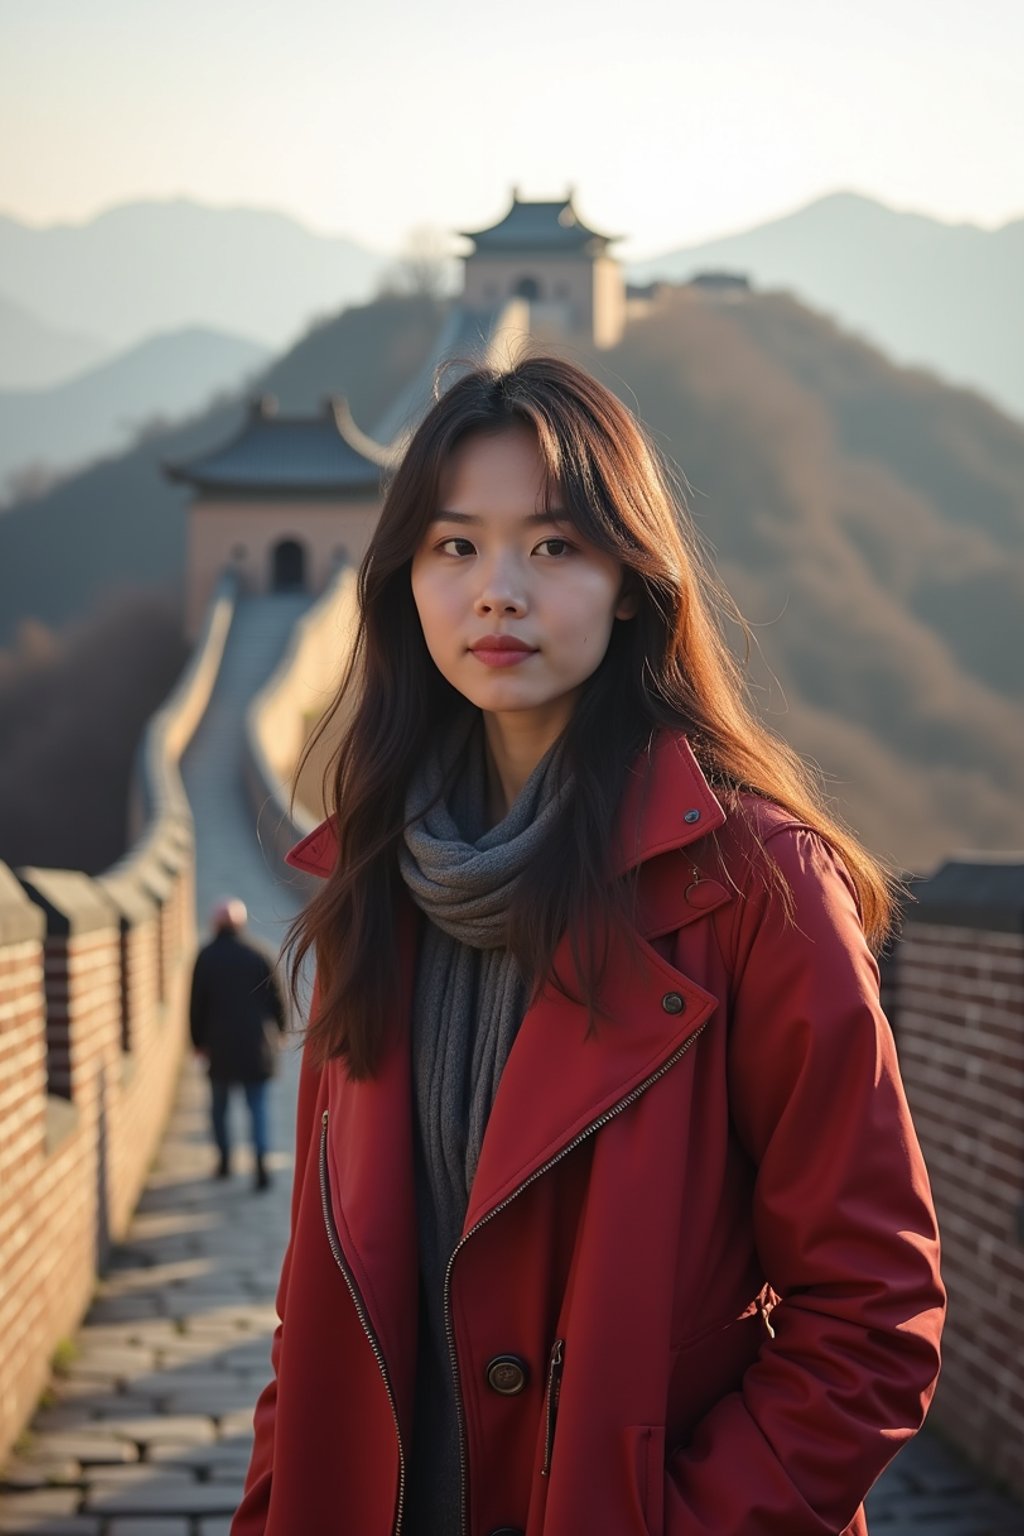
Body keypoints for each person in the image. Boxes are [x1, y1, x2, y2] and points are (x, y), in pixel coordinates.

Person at [233, 354, 945, 1535]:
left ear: (630, 580)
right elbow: (315, 1308)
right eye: (454, 546)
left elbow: (873, 1315)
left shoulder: (753, 887)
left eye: (552, 547)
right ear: (403, 580)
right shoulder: (371, 880)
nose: (496, 592)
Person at [189, 896, 288, 1191]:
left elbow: (196, 1005)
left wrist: (197, 1042)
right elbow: (277, 999)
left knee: (219, 1107)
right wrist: (281, 1031)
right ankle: (260, 1163)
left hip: (219, 1047)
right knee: (257, 1106)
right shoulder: (259, 953)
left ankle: (224, 1161)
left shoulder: (206, 956)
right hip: (256, 1047)